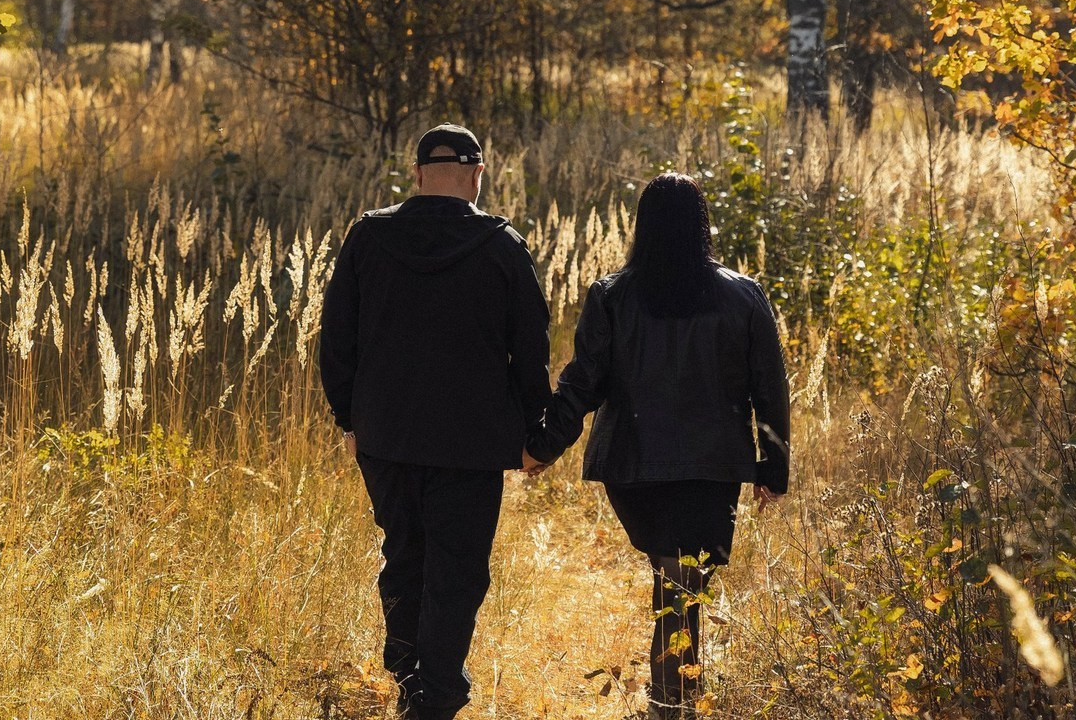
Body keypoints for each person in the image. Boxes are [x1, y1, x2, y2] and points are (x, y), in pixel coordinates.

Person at [524, 172, 790, 717]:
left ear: (642, 226)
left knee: (676, 581)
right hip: (710, 469)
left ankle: (671, 700)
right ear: (701, 225)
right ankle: (671, 704)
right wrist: (772, 469)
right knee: (682, 585)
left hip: (634, 467)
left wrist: (542, 446)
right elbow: (771, 385)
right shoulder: (742, 295)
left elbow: (583, 382)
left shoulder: (613, 295)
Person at [320, 123, 551, 720]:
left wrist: (349, 417)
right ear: (477, 176)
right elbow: (530, 349)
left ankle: (407, 672)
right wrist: (536, 432)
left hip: (386, 435)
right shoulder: (503, 246)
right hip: (470, 444)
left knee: (404, 552)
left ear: (418, 174)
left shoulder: (368, 238)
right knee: (458, 566)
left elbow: (336, 338)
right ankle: (437, 691)